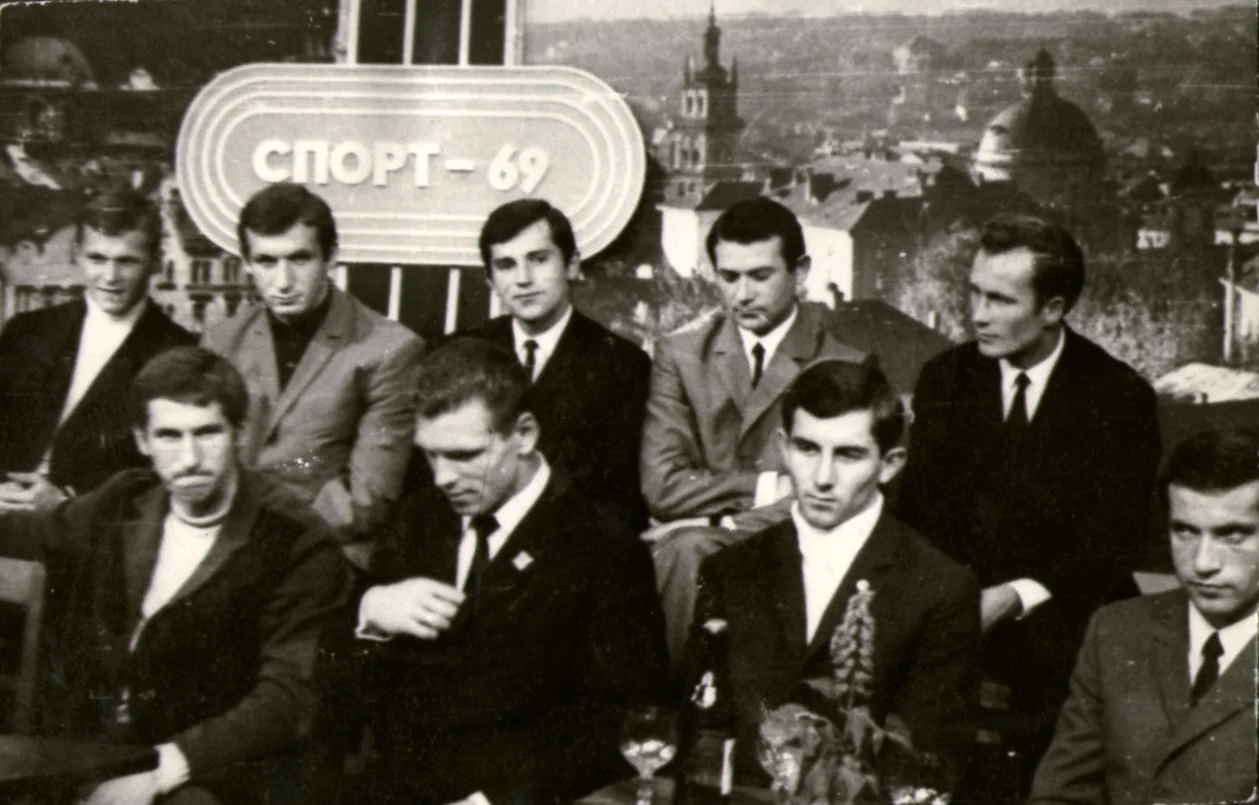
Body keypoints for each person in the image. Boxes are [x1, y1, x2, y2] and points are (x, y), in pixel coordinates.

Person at [0, 346, 352, 804]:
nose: (189, 458)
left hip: (219, 768)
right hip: (102, 751)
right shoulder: (125, 498)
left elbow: (289, 697)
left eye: (207, 433)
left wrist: (161, 772)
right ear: (143, 441)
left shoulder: (296, 539)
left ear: (238, 433)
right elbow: (28, 532)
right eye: (169, 436)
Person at [895, 213, 1161, 791]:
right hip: (957, 625)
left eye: (999, 299)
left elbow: (1112, 542)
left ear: (1053, 308)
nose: (978, 314)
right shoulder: (945, 380)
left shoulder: (1118, 397)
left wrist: (1015, 595)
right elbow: (917, 514)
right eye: (974, 292)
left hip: (1068, 630)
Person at [348, 338, 670, 805]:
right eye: (430, 455)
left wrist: (495, 799)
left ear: (524, 434)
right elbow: (341, 676)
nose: (442, 477)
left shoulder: (601, 546)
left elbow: (624, 723)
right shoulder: (418, 519)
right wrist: (371, 609)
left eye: (464, 456)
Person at [688, 360, 981, 780]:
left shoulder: (940, 588)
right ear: (784, 448)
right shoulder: (728, 570)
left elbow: (924, 765)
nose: (822, 478)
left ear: (891, 463)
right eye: (808, 449)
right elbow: (702, 736)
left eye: (848, 454)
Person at [641, 196, 872, 663]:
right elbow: (663, 486)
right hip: (706, 551)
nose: (742, 294)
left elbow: (832, 494)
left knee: (687, 549)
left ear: (800, 272)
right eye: (728, 277)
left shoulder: (844, 360)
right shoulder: (680, 354)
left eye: (760, 276)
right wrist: (769, 487)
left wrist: (718, 522)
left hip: (800, 551)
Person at [1028, 428, 1259, 805]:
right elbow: (1061, 795)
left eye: (1232, 535)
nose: (1203, 563)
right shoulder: (1117, 631)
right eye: (1184, 532)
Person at [202, 183, 424, 563]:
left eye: (299, 259)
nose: (283, 282)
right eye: (266, 262)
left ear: (331, 257)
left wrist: (255, 536)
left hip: (323, 556)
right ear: (247, 264)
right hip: (224, 548)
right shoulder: (221, 342)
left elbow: (366, 502)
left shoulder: (390, 348)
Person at [452, 198, 651, 534]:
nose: (523, 279)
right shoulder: (460, 354)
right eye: (506, 265)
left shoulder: (623, 365)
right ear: (491, 282)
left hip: (571, 543)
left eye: (539, 259)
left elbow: (619, 499)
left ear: (571, 265)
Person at [0, 188, 194, 511]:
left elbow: (161, 475)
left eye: (127, 261)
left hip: (91, 527)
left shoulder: (178, 352)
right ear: (77, 254)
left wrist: (69, 502)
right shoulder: (27, 330)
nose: (110, 277)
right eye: (97, 259)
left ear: (156, 262)